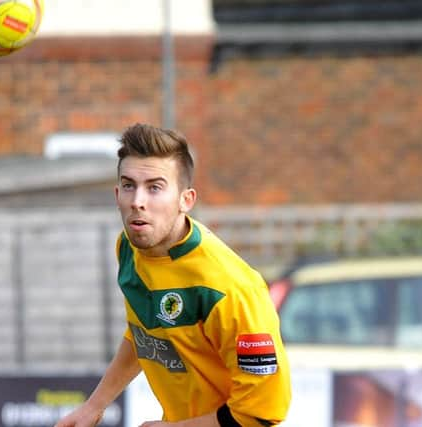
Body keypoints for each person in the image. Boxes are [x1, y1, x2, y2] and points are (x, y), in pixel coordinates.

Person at [54, 123, 291, 427]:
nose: (138, 201)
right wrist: (93, 406)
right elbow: (145, 334)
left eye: (155, 187)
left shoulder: (228, 287)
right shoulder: (128, 249)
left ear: (186, 200)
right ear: (117, 195)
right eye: (129, 185)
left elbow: (261, 413)